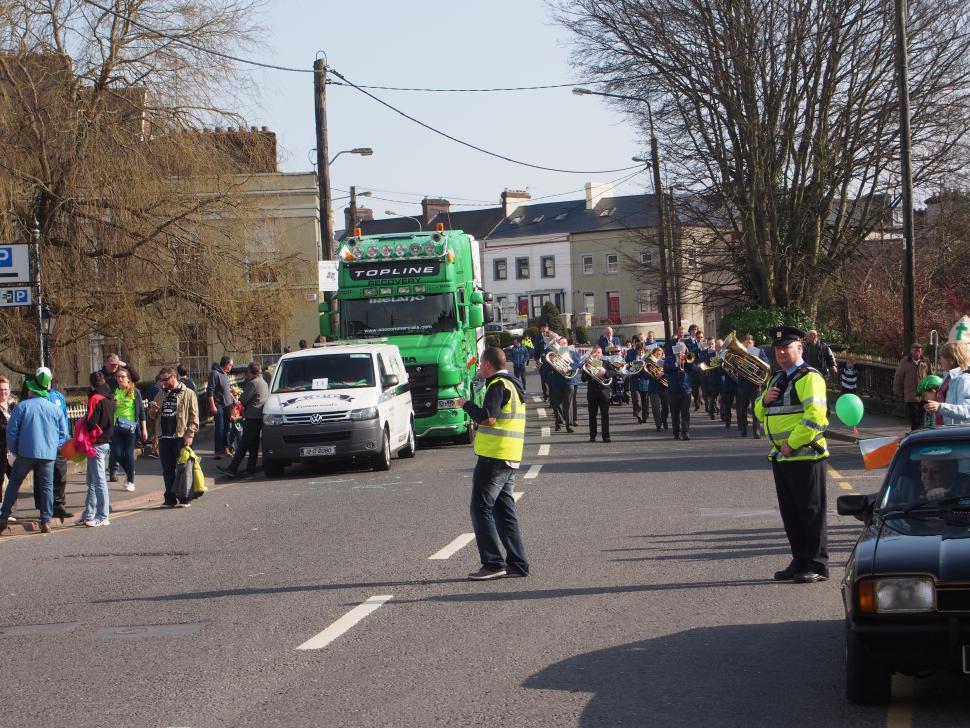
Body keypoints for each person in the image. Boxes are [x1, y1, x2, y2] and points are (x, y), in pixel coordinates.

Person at [755, 326, 830, 584]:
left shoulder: (809, 377)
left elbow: (817, 417)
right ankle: (799, 561)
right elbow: (759, 414)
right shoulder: (776, 379)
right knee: (791, 514)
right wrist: (764, 400)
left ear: (800, 348)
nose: (781, 352)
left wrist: (793, 444)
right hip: (782, 457)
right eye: (778, 348)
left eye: (786, 347)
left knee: (811, 512)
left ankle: (817, 565)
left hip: (806, 456)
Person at [457, 346, 529, 580]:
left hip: (494, 457)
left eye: (480, 364)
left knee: (480, 508)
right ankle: (518, 563)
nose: (479, 368)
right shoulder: (513, 384)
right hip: (510, 455)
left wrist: (466, 405)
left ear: (488, 365)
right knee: (503, 510)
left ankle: (493, 563)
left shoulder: (497, 385)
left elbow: (488, 417)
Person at [0, 368, 69, 534]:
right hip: (48, 455)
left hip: (25, 452)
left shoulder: (22, 406)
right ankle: (46, 521)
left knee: (14, 484)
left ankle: (3, 517)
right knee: (46, 487)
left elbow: (11, 431)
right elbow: (63, 434)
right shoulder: (54, 409)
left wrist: (16, 449)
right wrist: (52, 447)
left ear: (32, 390)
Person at [150, 366, 200, 507]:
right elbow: (153, 416)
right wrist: (153, 411)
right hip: (164, 437)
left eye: (165, 379)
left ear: (174, 377)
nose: (163, 383)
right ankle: (170, 498)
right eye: (161, 380)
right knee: (167, 470)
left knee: (183, 469)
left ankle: (184, 498)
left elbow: (194, 416)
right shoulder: (160, 394)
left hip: (180, 437)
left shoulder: (188, 393)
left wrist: (190, 434)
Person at [217, 362, 269, 478]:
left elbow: (243, 400)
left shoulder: (253, 383)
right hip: (259, 417)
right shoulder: (264, 382)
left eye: (248, 372)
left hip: (251, 417)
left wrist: (238, 398)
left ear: (250, 372)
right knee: (253, 446)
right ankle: (250, 471)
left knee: (243, 445)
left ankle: (232, 469)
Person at [78, 372, 116, 527]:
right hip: (105, 443)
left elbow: (91, 422)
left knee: (98, 481)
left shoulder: (95, 398)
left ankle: (102, 515)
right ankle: (89, 514)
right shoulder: (110, 398)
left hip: (95, 444)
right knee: (93, 481)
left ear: (91, 384)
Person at [110, 368, 147, 493]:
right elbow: (111, 410)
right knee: (117, 453)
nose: (119, 379)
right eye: (118, 377)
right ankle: (129, 470)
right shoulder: (115, 391)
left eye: (122, 376)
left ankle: (130, 481)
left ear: (128, 379)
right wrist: (112, 406)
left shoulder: (135, 391)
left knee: (129, 454)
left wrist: (144, 429)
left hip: (131, 428)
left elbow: (141, 411)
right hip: (117, 427)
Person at [923, 342, 970, 426]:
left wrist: (940, 407)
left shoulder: (964, 379)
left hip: (958, 434)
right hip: (945, 430)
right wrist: (934, 399)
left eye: (942, 358)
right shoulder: (948, 377)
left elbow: (967, 410)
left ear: (951, 359)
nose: (940, 361)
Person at [736, 333, 769, 438]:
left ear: (753, 343)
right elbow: (735, 365)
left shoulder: (759, 351)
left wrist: (756, 360)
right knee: (742, 408)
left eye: (750, 343)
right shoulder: (739, 352)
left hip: (755, 384)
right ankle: (744, 428)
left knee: (756, 408)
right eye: (746, 343)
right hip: (743, 383)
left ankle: (757, 431)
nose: (748, 345)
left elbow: (766, 363)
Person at [893, 343, 929, 430]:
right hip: (911, 395)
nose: (917, 352)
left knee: (921, 419)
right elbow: (898, 377)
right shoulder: (905, 362)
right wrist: (899, 392)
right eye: (915, 350)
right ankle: (915, 437)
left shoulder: (925, 361)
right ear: (911, 351)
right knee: (914, 419)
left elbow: (930, 375)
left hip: (923, 395)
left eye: (919, 350)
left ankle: (918, 436)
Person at [664, 343, 696, 440]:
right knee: (675, 413)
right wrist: (676, 364)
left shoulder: (687, 357)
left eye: (683, 349)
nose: (680, 351)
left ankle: (685, 432)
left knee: (685, 413)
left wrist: (686, 361)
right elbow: (666, 369)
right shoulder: (669, 358)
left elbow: (694, 368)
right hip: (673, 390)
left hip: (686, 389)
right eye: (679, 349)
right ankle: (676, 432)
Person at [582, 345, 612, 442]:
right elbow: (583, 379)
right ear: (592, 354)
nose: (597, 355)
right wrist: (587, 367)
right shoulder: (587, 364)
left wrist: (605, 373)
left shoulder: (605, 362)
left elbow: (614, 372)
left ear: (601, 354)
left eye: (599, 353)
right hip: (592, 392)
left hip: (604, 392)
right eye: (595, 353)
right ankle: (592, 435)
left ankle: (606, 436)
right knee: (592, 415)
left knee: (605, 415)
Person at [207, 355, 235, 458]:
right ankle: (218, 451)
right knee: (220, 428)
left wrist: (233, 399)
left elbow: (227, 390)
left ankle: (226, 448)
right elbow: (210, 391)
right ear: (226, 364)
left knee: (227, 428)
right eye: (230, 365)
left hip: (227, 405)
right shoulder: (215, 373)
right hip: (218, 405)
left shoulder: (225, 374)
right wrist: (212, 406)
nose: (231, 367)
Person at [0, 376, 17, 504]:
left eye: (5, 389)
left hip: (13, 451)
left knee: (14, 481)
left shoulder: (13, 406)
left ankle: (10, 510)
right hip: (1, 449)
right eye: (0, 389)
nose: (3, 392)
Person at [627, 339, 650, 424]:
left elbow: (650, 370)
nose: (640, 351)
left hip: (644, 380)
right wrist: (631, 365)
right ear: (636, 350)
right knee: (635, 398)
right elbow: (628, 368)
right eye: (639, 350)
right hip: (635, 381)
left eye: (642, 350)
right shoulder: (632, 358)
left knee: (645, 400)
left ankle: (645, 416)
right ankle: (637, 413)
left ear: (644, 350)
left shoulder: (647, 358)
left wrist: (645, 366)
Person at [532, 323, 550, 401]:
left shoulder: (551, 335)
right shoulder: (538, 337)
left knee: (551, 381)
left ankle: (552, 399)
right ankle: (545, 394)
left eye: (545, 327)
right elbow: (536, 349)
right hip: (542, 361)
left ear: (547, 328)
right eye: (542, 327)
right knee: (543, 380)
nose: (544, 329)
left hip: (551, 362)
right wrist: (536, 359)